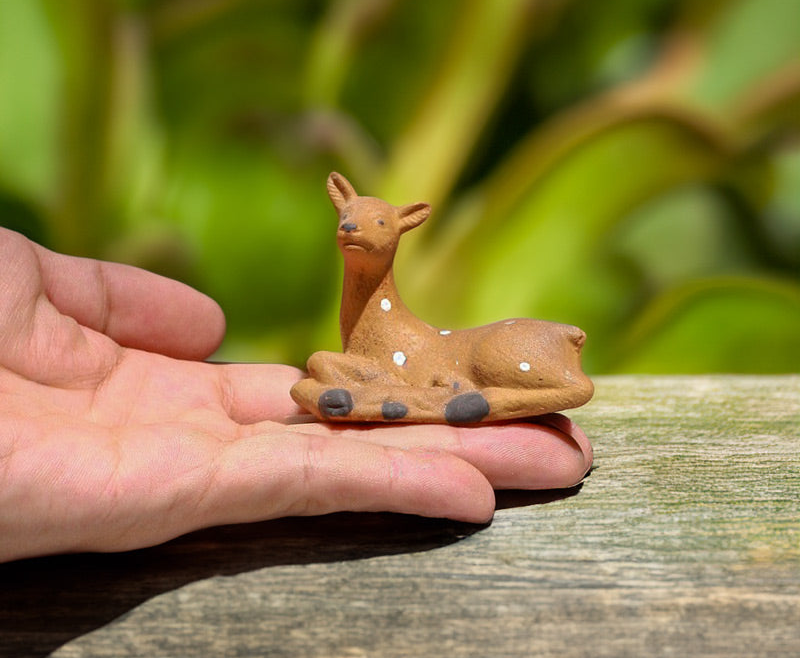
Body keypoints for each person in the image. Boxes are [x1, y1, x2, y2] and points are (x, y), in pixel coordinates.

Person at [0, 226, 592, 563]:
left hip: (506, 356)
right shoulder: (370, 330)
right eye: (349, 222)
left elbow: (574, 391)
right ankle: (389, 398)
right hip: (414, 376)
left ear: (401, 231)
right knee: (324, 365)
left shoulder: (511, 342)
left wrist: (489, 404)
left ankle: (473, 399)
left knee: (475, 360)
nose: (354, 230)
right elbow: (369, 361)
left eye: (373, 224)